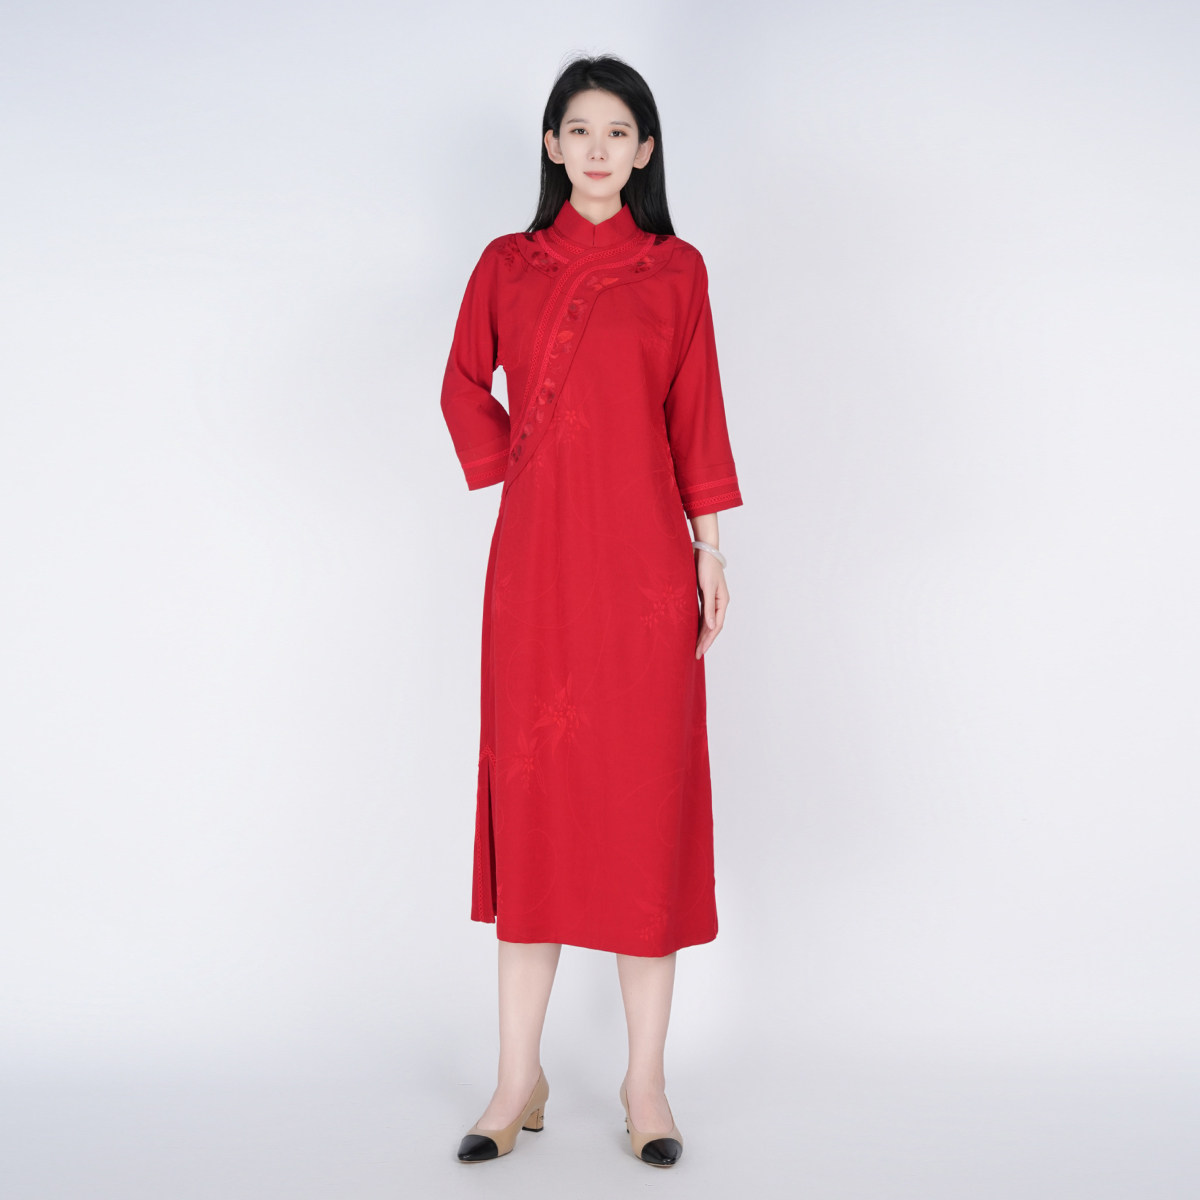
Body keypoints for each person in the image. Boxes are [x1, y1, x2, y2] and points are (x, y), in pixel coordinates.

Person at [439, 54, 745, 1168]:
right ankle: (515, 1078)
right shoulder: (507, 266)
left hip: (646, 581)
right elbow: (461, 384)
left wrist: (710, 550)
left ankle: (644, 1083)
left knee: (641, 820)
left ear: (646, 150)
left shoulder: (677, 272)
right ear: (552, 146)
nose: (600, 148)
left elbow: (696, 417)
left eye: (620, 131)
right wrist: (518, 462)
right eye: (580, 129)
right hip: (537, 577)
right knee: (537, 819)